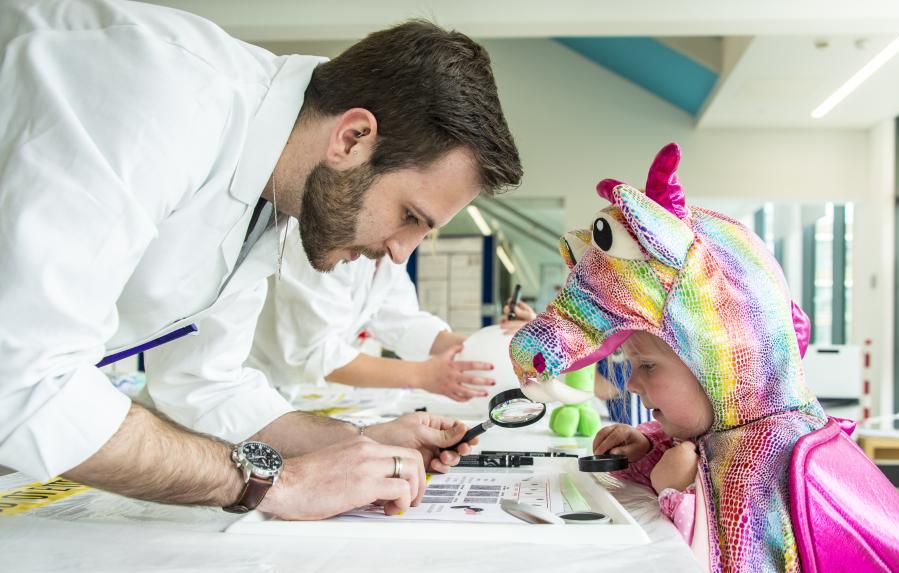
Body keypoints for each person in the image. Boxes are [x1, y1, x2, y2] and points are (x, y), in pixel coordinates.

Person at [0, 0, 521, 519]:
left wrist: (358, 443)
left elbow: (205, 384)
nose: (399, 252)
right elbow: (22, 380)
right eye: (409, 215)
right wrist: (272, 482)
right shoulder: (155, 91)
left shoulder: (274, 190)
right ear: (352, 138)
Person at [509, 144, 899, 573]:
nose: (632, 383)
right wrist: (646, 449)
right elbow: (698, 450)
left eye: (648, 366)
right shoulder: (742, 429)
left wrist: (678, 495)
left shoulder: (765, 469)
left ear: (718, 360)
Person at [249, 225, 497, 402]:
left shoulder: (385, 256)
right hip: (247, 384)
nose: (404, 252)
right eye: (413, 217)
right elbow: (318, 353)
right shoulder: (327, 235)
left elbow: (402, 322)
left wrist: (484, 348)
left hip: (285, 392)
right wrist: (423, 375)